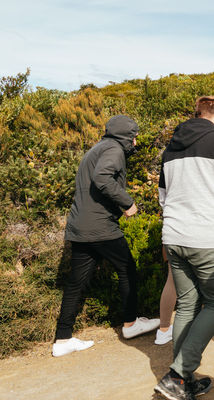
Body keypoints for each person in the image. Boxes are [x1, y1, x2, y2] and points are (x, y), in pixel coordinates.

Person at [154, 96, 214, 400]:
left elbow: (163, 196)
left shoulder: (170, 148)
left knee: (188, 303)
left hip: (175, 235)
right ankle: (178, 374)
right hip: (209, 237)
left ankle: (183, 380)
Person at [53, 115, 160, 358]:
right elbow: (102, 178)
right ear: (125, 135)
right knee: (127, 268)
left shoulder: (98, 147)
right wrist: (127, 202)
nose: (136, 141)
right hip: (99, 226)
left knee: (76, 283)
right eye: (134, 136)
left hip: (80, 226)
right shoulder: (114, 149)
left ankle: (62, 339)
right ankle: (131, 324)